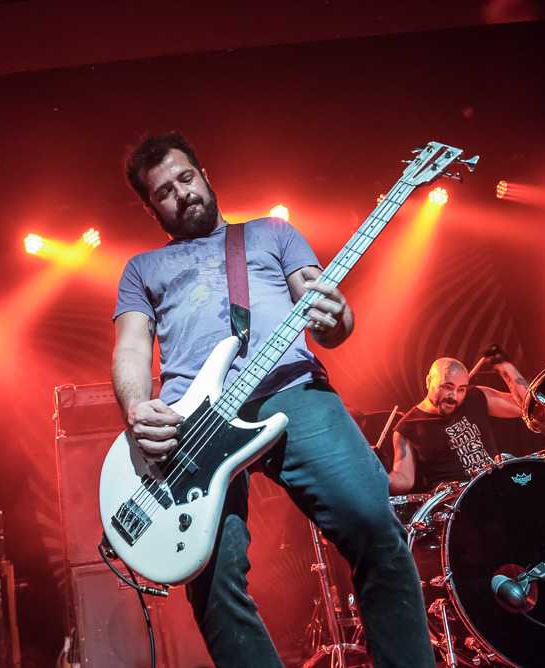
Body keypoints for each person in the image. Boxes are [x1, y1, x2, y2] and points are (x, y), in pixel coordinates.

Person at [111, 132, 433, 667]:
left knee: (375, 525)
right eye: (164, 191)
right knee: (209, 577)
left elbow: (326, 310)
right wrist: (136, 407)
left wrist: (337, 317)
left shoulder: (271, 233)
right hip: (192, 422)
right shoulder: (141, 269)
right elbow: (130, 347)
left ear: (205, 175)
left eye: (186, 178)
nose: (182, 193)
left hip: (291, 387)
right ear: (152, 208)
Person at [388, 350, 528, 494]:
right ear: (429, 381)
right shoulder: (407, 428)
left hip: (497, 486)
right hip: (456, 500)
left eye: (461, 389)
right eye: (447, 387)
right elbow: (405, 481)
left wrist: (506, 367)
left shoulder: (475, 397)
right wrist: (381, 471)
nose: (454, 397)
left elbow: (525, 407)